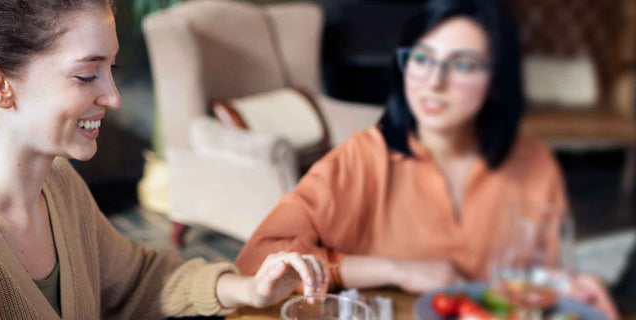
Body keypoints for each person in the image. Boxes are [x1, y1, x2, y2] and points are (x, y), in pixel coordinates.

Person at [0, 0, 329, 318]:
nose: (114, 97)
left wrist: (248, 288)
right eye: (86, 76)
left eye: (111, 68)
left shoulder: (57, 183)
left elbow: (135, 279)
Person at [235, 0, 619, 318]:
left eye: (463, 65)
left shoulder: (533, 161)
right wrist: (394, 268)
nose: (434, 82)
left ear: (498, 81)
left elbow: (535, 281)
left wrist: (569, 289)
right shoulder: (363, 157)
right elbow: (257, 263)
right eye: (422, 58)